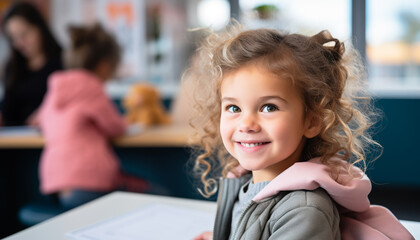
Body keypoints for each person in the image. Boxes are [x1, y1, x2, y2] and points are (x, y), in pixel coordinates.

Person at [186, 25, 414, 240]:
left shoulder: (305, 210)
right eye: (233, 108)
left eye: (269, 107)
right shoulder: (244, 180)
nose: (247, 124)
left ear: (312, 121)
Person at [36, 23, 147, 210]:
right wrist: (127, 119)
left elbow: (42, 121)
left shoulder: (55, 89)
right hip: (89, 183)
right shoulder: (91, 86)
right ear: (105, 66)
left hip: (56, 185)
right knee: (158, 194)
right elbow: (115, 127)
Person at [0, 2, 62, 126]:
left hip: (51, 137)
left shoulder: (62, 62)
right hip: (16, 139)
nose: (20, 43)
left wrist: (46, 113)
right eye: (14, 38)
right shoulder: (13, 67)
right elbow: (8, 109)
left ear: (39, 28)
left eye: (25, 34)